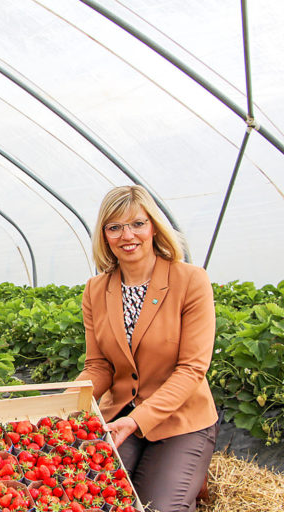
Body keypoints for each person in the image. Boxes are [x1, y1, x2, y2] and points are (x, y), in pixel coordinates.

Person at [75, 185, 217, 512]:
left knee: (158, 506)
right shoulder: (96, 289)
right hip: (120, 413)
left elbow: (192, 368)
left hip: (182, 418)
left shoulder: (190, 281)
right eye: (115, 227)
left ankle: (189, 471)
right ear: (104, 236)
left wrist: (138, 419)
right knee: (95, 497)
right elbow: (99, 366)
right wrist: (68, 399)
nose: (128, 235)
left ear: (154, 227)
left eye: (137, 223)